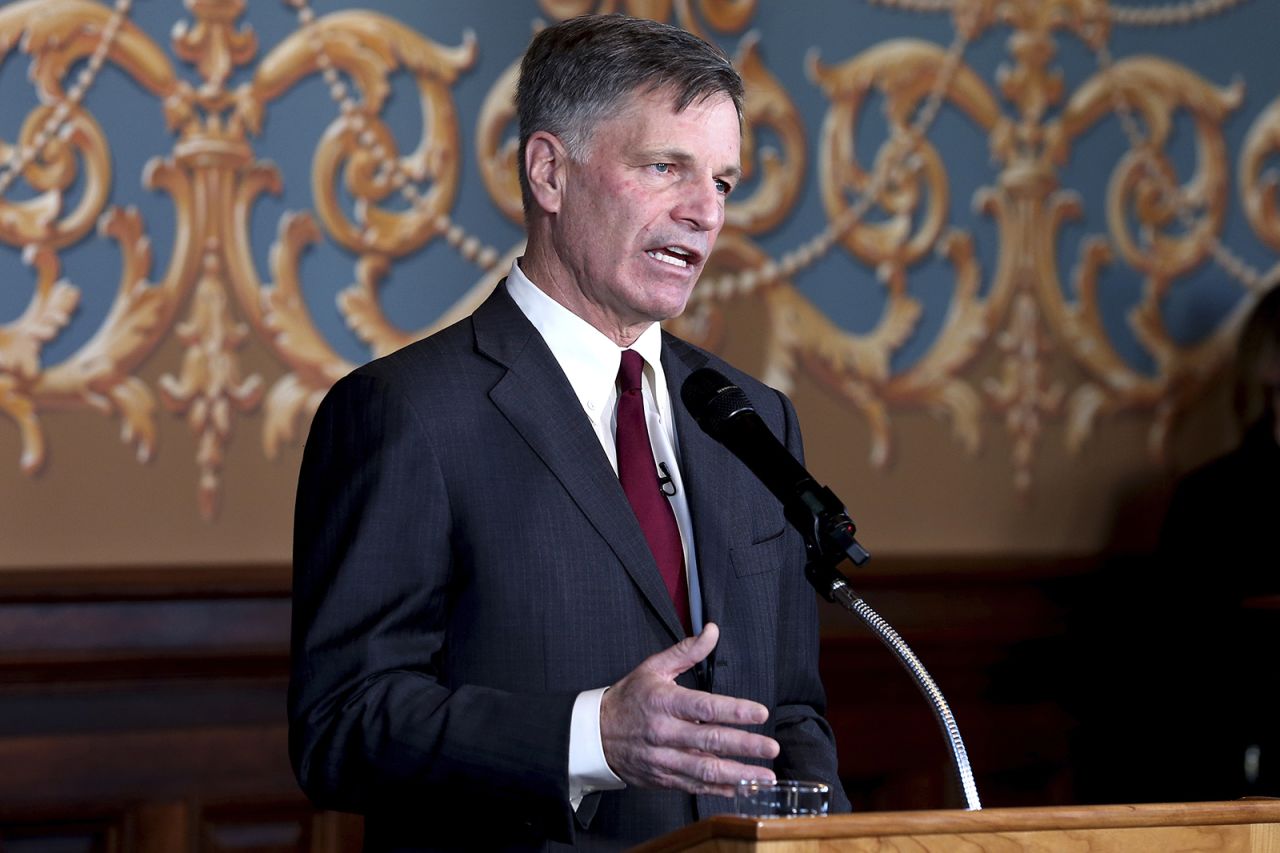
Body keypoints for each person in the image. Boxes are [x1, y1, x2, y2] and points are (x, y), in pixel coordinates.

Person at [289, 14, 849, 851]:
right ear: (549, 173)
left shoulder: (753, 418)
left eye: (724, 183)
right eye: (666, 168)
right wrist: (592, 736)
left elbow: (791, 716)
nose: (704, 213)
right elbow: (342, 724)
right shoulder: (407, 413)